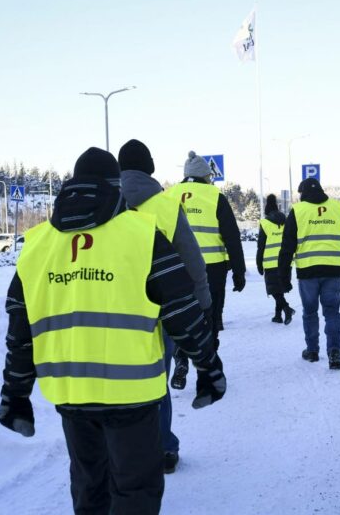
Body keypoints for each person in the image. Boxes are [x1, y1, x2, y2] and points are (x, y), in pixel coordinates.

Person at [0, 147, 226, 515]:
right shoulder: (142, 234)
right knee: (135, 490)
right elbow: (181, 309)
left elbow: (19, 334)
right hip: (133, 394)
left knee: (90, 489)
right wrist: (208, 368)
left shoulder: (37, 244)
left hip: (71, 396)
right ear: (116, 186)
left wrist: (16, 395)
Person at [117, 138, 213, 475]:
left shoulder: (105, 205)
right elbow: (192, 260)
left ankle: (123, 450)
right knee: (157, 381)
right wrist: (202, 306)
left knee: (117, 385)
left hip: (114, 310)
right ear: (150, 169)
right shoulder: (166, 206)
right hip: (162, 311)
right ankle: (163, 448)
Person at [166, 151, 246, 388]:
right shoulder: (215, 197)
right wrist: (239, 271)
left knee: (180, 316)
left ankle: (180, 357)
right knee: (210, 318)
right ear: (205, 176)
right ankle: (208, 372)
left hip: (176, 268)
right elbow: (232, 236)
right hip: (212, 269)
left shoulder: (169, 196)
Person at [278, 177, 340, 369]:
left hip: (308, 271)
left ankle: (312, 351)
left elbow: (287, 247)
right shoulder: (337, 208)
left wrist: (284, 277)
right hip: (333, 269)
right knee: (332, 312)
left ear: (302, 194)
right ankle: (334, 352)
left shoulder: (298, 211)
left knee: (310, 312)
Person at [256, 193, 295, 324]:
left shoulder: (265, 223)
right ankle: (277, 316)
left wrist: (259, 263)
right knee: (279, 288)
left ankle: (286, 308)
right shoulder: (286, 221)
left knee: (274, 290)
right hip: (285, 261)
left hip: (271, 262)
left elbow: (261, 246)